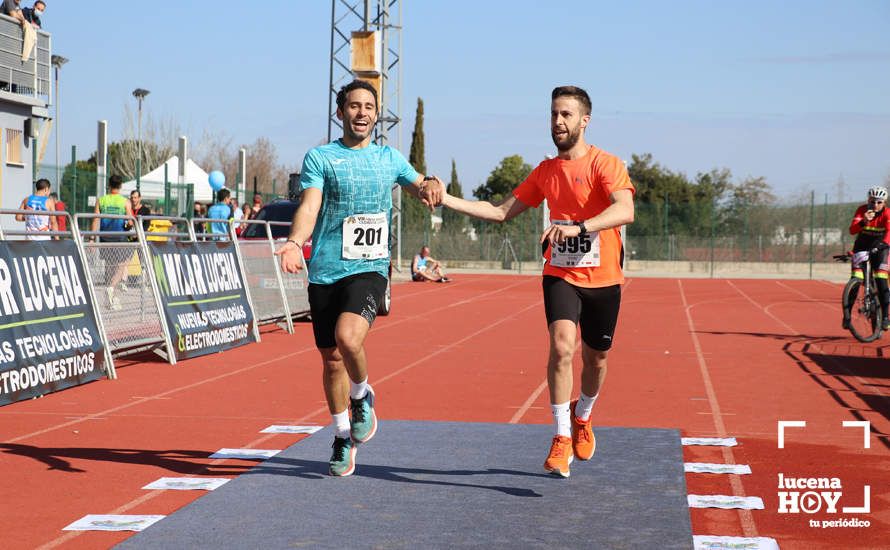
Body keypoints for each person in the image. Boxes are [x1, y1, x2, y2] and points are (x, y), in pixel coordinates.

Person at [437, 85, 634, 477]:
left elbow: (625, 209)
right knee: (562, 347)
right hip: (560, 273)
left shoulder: (605, 165)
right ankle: (561, 437)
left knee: (596, 358)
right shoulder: (546, 171)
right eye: (554, 115)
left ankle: (584, 414)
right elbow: (499, 211)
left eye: (566, 115)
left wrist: (581, 226)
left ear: (584, 120)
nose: (558, 122)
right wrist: (446, 199)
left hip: (604, 278)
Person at [275, 79, 444, 477]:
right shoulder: (321, 157)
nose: (362, 113)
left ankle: (362, 394)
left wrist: (432, 183)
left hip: (368, 268)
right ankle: (340, 436)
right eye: (354, 106)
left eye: (369, 106)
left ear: (376, 114)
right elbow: (310, 204)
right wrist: (294, 241)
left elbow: (421, 185)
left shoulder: (389, 159)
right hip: (325, 271)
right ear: (341, 112)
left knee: (348, 338)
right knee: (331, 360)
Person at [846, 186, 890, 331]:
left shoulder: (888, 214)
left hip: (881, 247)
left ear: (884, 202)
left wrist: (883, 244)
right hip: (861, 246)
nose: (875, 205)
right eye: (872, 202)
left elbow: (889, 233)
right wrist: (863, 221)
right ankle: (847, 317)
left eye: (879, 202)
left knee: (881, 280)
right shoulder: (861, 210)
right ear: (868, 200)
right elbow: (852, 230)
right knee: (855, 279)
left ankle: (885, 317)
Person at [91, 175, 134, 310]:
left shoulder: (101, 200)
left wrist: (92, 239)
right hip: (119, 237)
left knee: (109, 265)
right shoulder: (125, 201)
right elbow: (131, 221)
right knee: (122, 264)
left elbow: (95, 219)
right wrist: (128, 225)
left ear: (108, 186)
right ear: (120, 186)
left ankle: (112, 298)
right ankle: (110, 288)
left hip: (104, 236)